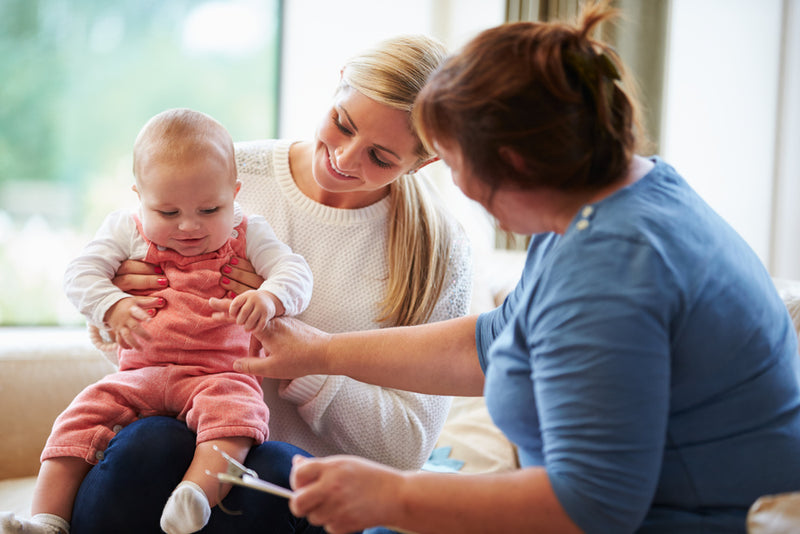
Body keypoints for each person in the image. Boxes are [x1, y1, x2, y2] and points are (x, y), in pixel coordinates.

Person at [231, 3, 800, 533]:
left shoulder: (615, 272)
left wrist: (395, 498)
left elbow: (595, 504)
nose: (454, 184)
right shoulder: (614, 198)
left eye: (451, 161)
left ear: (515, 163)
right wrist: (321, 353)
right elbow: (495, 342)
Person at [68, 36, 473, 533]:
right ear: (339, 78)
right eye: (343, 124)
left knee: (285, 470)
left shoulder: (438, 251)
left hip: (293, 493)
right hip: (173, 444)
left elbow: (408, 449)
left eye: (381, 157)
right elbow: (126, 344)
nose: (344, 159)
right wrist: (124, 304)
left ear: (423, 163)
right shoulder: (224, 174)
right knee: (150, 443)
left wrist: (311, 360)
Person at [0, 108, 313, 534]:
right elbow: (79, 274)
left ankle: (195, 496)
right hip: (140, 373)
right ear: (139, 197)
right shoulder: (125, 230)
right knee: (77, 422)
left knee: (237, 416)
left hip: (216, 373)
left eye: (209, 209)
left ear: (235, 195)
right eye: (167, 213)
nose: (188, 226)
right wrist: (110, 305)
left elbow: (296, 273)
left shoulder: (250, 232)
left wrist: (271, 296)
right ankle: (48, 521)